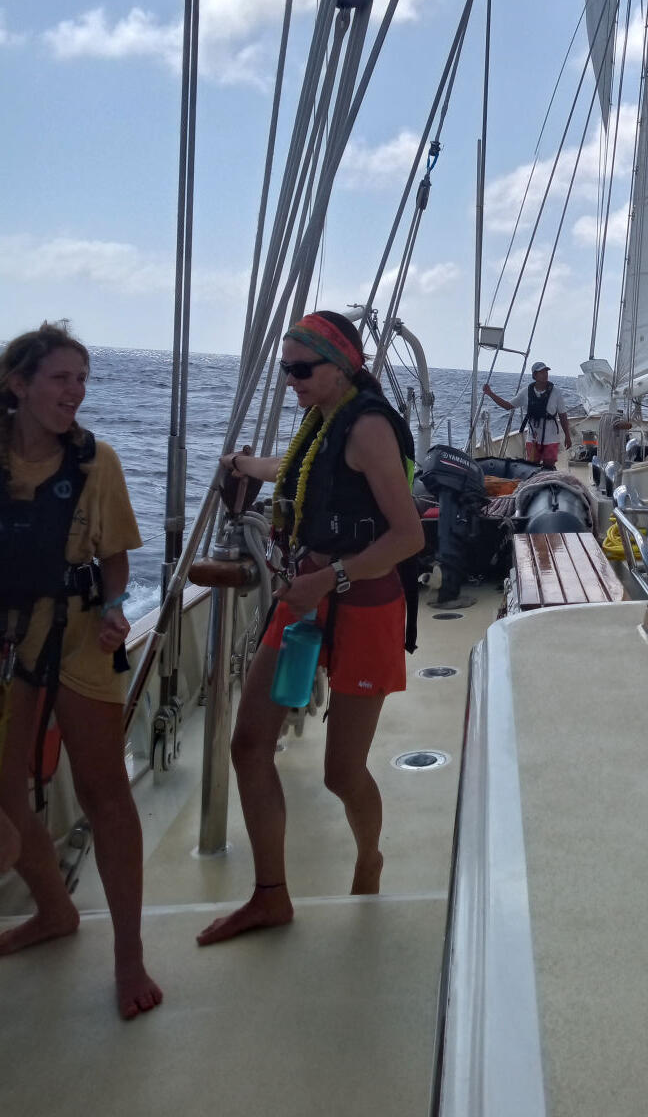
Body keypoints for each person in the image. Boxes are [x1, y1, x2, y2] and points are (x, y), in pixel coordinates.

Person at [197, 310, 423, 946]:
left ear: (341, 367)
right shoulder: (321, 418)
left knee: (340, 773)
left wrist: (330, 579)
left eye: (301, 370)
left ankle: (370, 857)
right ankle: (271, 895)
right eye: (286, 370)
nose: (291, 381)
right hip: (304, 600)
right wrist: (246, 465)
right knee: (249, 744)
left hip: (362, 604)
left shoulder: (369, 427)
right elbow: (300, 471)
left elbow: (408, 536)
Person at [0, 322, 160, 1020]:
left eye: (83, 379)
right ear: (19, 384)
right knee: (7, 789)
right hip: (10, 639)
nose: (77, 392)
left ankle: (129, 955)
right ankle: (54, 910)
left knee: (105, 792)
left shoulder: (99, 462)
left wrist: (117, 607)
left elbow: (115, 557)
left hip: (83, 635)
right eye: (62, 378)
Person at [482, 361, 572, 469]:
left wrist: (567, 436)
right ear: (534, 375)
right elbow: (507, 406)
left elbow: (563, 416)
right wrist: (490, 393)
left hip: (551, 438)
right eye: (541, 372)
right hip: (533, 438)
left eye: (546, 371)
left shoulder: (556, 392)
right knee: (532, 467)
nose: (545, 374)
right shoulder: (525, 392)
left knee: (549, 467)